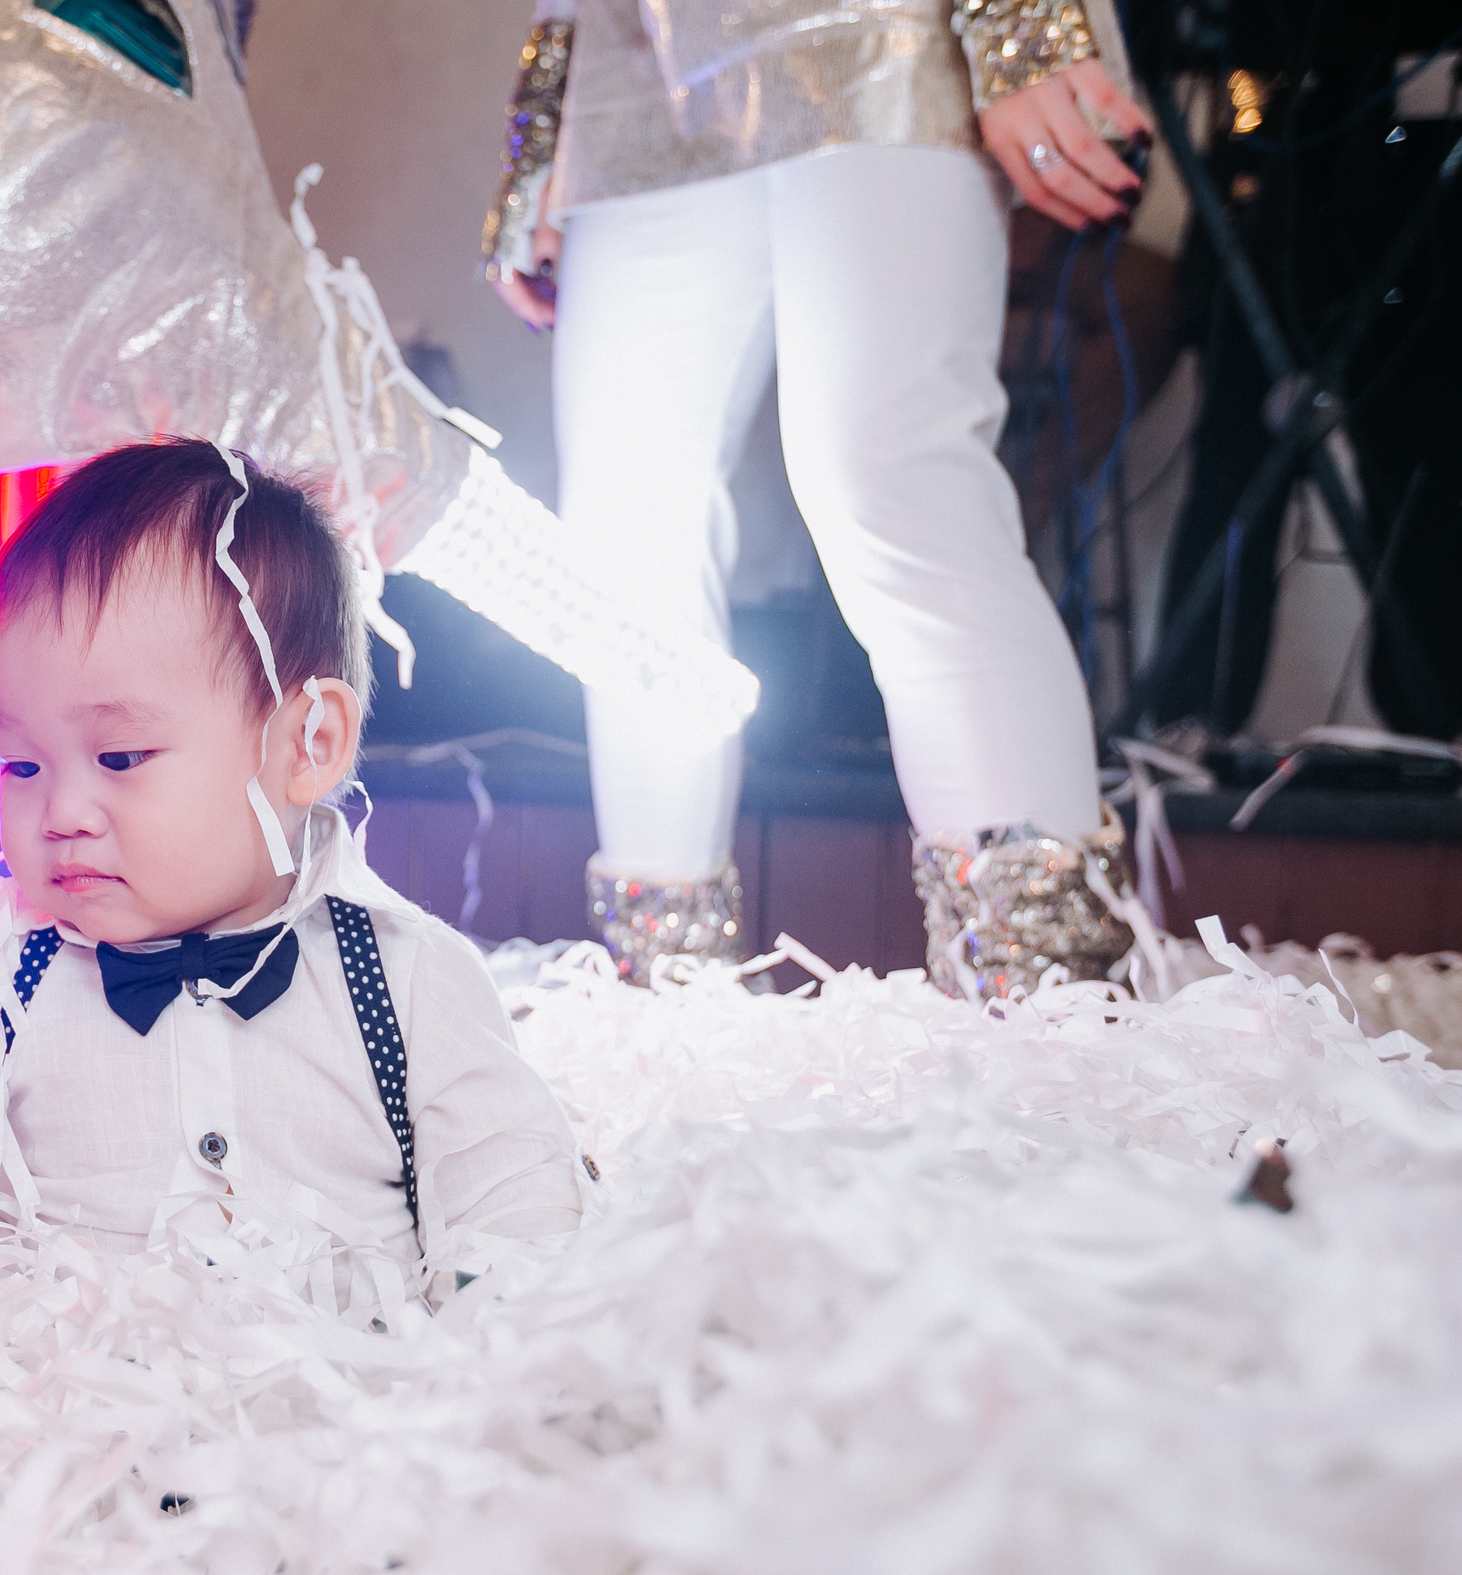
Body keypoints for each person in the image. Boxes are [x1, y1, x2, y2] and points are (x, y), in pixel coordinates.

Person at [0, 441, 583, 1315]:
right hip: (48, 1421)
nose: (61, 809)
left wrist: (503, 1355)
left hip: (342, 1416)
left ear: (309, 743)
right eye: (21, 764)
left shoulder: (405, 975)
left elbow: (513, 1194)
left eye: (120, 754)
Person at [481, 0, 1154, 1000]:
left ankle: (1045, 1011)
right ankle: (666, 1001)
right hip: (644, 50)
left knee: (888, 481)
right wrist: (548, 104)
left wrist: (1019, 20)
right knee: (624, 523)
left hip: (880, 21)